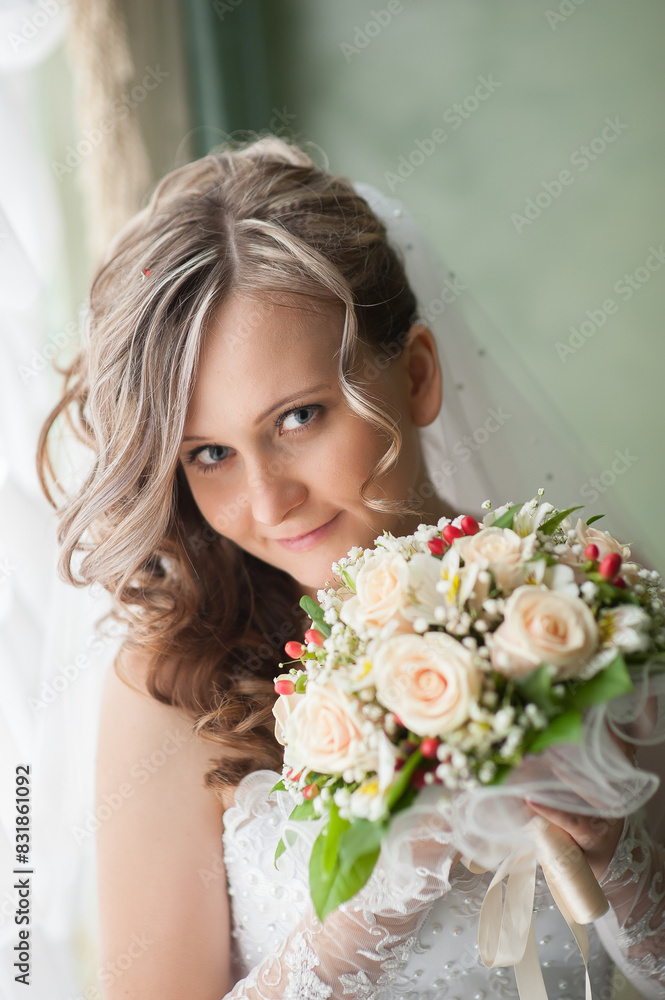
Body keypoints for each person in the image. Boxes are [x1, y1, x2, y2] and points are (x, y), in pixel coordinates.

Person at [37, 134, 665, 1000]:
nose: (268, 502)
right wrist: (365, 912)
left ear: (415, 375)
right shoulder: (171, 682)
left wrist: (621, 858)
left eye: (298, 418)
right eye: (210, 454)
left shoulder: (577, 608)